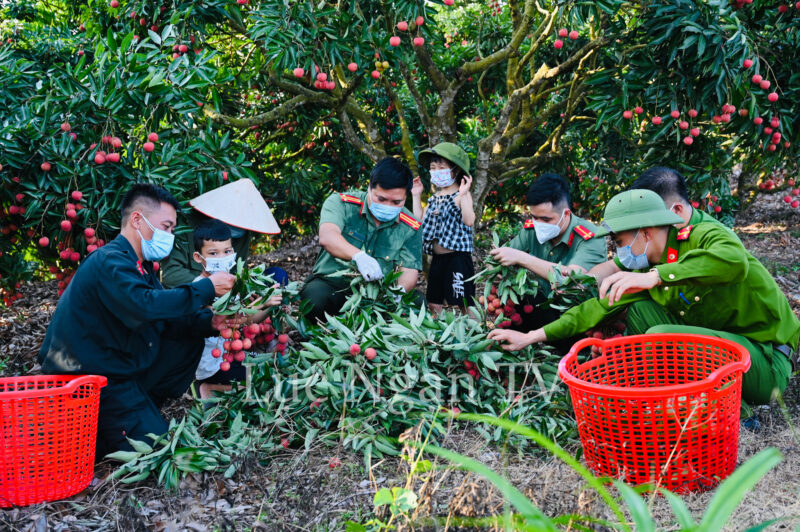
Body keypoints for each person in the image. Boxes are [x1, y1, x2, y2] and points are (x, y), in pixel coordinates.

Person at [489, 189, 800, 406]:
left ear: (647, 232)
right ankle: (651, 396)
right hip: (724, 349)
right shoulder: (646, 261)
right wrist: (530, 337)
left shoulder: (703, 237)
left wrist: (656, 276)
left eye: (622, 241)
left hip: (764, 361)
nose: (619, 251)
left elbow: (734, 261)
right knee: (638, 311)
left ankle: (731, 411)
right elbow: (596, 308)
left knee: (661, 335)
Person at [38, 184, 236, 457]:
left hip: (122, 374)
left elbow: (167, 313)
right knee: (163, 452)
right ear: (136, 220)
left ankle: (142, 408)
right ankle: (113, 428)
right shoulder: (109, 262)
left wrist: (210, 322)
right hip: (91, 384)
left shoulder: (139, 267)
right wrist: (206, 288)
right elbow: (145, 306)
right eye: (166, 227)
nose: (169, 235)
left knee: (188, 333)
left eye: (172, 229)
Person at [300, 157, 423, 321]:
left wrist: (399, 291)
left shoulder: (411, 226)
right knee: (314, 299)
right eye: (381, 199)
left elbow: (409, 270)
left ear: (406, 196)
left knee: (418, 303)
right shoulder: (342, 204)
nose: (388, 206)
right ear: (370, 187)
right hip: (334, 285)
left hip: (377, 295)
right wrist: (358, 256)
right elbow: (328, 236)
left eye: (396, 202)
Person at [489, 174, 607, 333]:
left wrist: (521, 258)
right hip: (542, 306)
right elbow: (501, 258)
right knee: (513, 302)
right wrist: (496, 270)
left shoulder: (590, 237)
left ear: (566, 214)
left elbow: (572, 281)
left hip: (575, 313)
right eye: (534, 217)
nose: (539, 224)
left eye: (546, 219)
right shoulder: (532, 230)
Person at [587, 166, 730, 283]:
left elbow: (728, 261)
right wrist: (582, 284)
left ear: (676, 210)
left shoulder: (706, 234)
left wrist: (655, 276)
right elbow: (614, 266)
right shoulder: (654, 239)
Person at [191, 220, 282, 399]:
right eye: (213, 253)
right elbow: (225, 319)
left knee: (273, 369)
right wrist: (261, 302)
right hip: (212, 365)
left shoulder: (233, 283)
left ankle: (220, 388)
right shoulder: (199, 289)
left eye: (227, 251)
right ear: (198, 258)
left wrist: (271, 305)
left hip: (231, 355)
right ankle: (208, 388)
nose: (222, 257)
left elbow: (247, 321)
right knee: (263, 385)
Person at [160, 178, 288, 288]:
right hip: (196, 292)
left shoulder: (242, 233)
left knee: (278, 276)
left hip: (228, 290)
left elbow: (237, 268)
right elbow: (171, 275)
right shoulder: (186, 229)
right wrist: (209, 285)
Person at [411, 142, 476, 313]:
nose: (437, 171)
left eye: (442, 167)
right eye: (433, 168)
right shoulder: (435, 198)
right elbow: (418, 221)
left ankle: (475, 333)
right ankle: (438, 337)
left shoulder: (462, 194)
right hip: (437, 260)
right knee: (434, 302)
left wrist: (463, 195)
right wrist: (416, 195)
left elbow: (469, 221)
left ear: (456, 170)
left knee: (464, 303)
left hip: (458, 259)